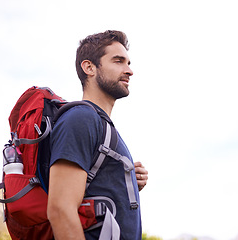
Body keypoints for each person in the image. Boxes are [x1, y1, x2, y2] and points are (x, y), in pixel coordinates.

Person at [47, 30, 148, 240]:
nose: (129, 71)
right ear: (89, 67)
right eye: (118, 61)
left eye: (128, 63)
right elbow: (60, 209)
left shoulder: (102, 125)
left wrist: (123, 179)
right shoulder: (81, 118)